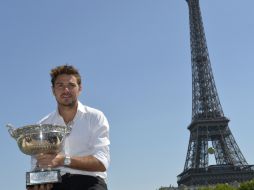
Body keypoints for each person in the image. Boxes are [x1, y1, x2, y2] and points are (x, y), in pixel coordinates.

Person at [27, 65, 110, 190]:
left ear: (79, 88)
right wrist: (37, 183)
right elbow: (36, 167)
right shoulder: (43, 125)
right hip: (55, 183)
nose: (66, 90)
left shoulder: (95, 117)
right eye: (60, 85)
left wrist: (63, 160)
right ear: (53, 90)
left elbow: (102, 162)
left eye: (71, 85)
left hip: (90, 182)